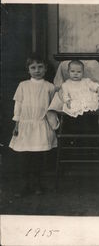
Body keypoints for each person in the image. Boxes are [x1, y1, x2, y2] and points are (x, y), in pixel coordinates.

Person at [9, 53, 59, 197]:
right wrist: (17, 124)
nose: (37, 70)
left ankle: (37, 184)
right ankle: (25, 185)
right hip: (25, 125)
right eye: (33, 67)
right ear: (28, 70)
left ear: (46, 69)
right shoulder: (23, 85)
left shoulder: (50, 87)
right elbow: (18, 106)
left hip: (40, 125)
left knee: (38, 157)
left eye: (40, 67)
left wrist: (52, 125)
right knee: (25, 157)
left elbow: (52, 107)